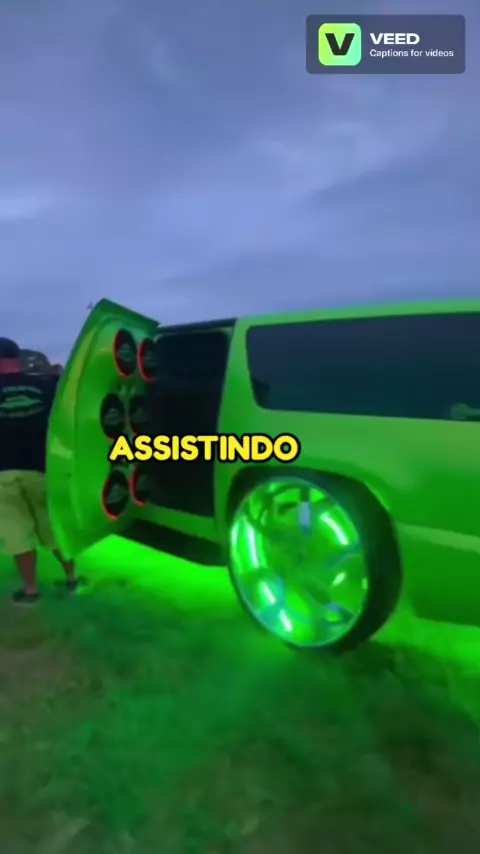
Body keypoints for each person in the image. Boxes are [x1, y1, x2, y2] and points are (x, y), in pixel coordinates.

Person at [0, 336, 82, 604]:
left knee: (17, 534)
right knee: (53, 528)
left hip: (2, 474)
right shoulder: (45, 385)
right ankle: (72, 579)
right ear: (17, 357)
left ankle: (31, 590)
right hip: (42, 469)